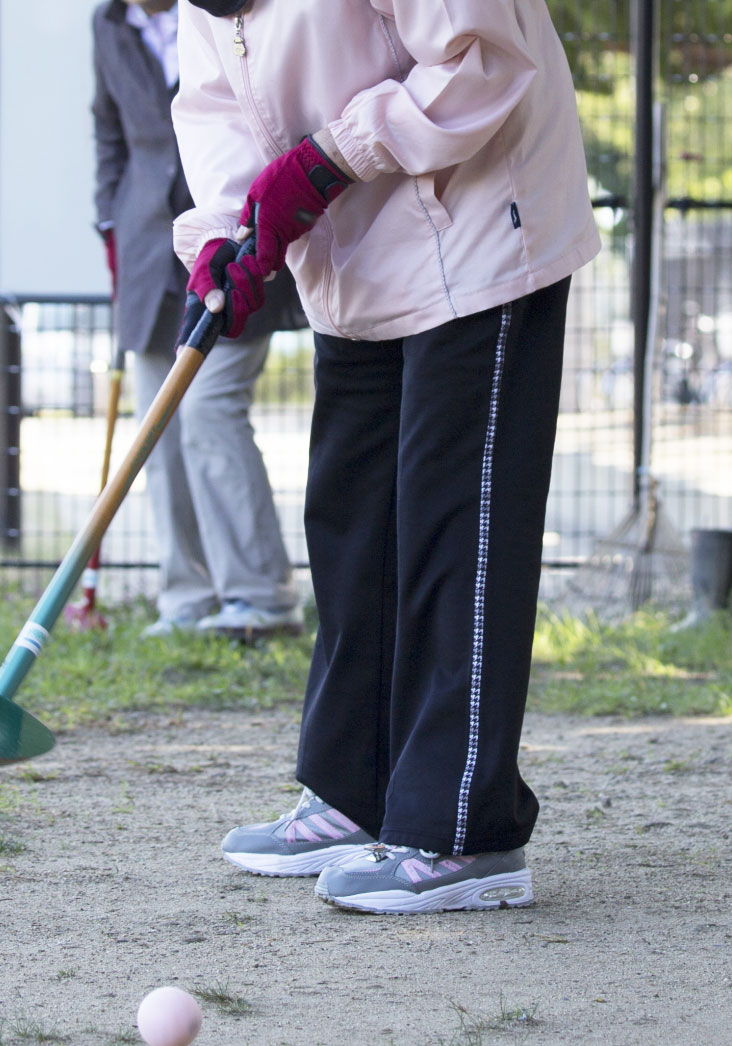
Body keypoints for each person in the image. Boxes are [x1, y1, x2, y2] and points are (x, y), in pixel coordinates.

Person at [172, 0, 600, 912]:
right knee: (352, 520)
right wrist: (222, 234)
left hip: (482, 224)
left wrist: (325, 160)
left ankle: (464, 832)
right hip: (355, 256)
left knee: (458, 528)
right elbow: (215, 107)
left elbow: (484, 59)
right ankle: (354, 791)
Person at [91, 0, 302, 637]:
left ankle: (261, 596)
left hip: (233, 239)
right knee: (158, 429)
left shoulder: (218, 10)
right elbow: (109, 133)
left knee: (209, 408)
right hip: (146, 250)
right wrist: (109, 219)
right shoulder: (106, 24)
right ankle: (188, 598)